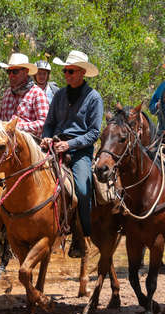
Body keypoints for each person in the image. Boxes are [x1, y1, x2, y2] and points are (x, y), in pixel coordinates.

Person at [40, 50, 103, 256]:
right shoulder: (59, 95)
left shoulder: (94, 98)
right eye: (65, 71)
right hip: (54, 146)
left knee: (83, 192)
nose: (66, 74)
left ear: (82, 73)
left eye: (71, 71)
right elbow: (49, 124)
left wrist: (70, 145)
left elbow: (94, 132)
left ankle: (83, 235)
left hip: (79, 152)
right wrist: (47, 137)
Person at [0, 53, 49, 136]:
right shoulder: (7, 93)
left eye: (15, 72)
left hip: (29, 144)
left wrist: (16, 127)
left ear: (26, 71)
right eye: (9, 71)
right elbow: (1, 118)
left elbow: (44, 123)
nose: (11, 75)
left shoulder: (37, 93)